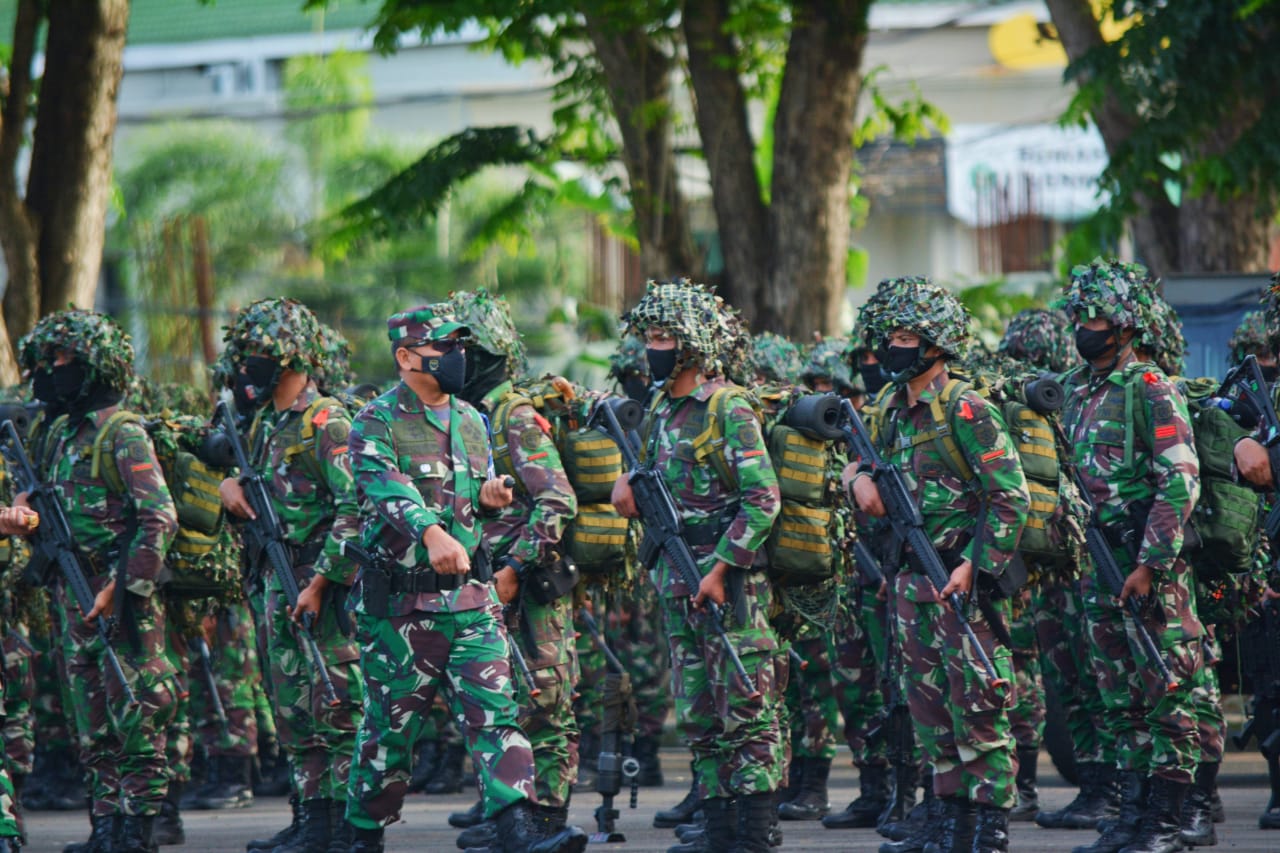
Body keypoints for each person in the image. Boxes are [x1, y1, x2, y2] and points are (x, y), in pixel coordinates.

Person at [342, 302, 585, 853]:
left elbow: (463, 503)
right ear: (406, 357)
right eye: (442, 349)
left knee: (497, 717)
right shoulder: (374, 422)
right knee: (389, 737)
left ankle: (518, 826)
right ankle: (360, 833)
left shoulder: (472, 420)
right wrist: (429, 532)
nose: (456, 358)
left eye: (459, 348)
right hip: (403, 613)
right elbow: (387, 491)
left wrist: (487, 498)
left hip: (472, 605)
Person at [843, 277, 1029, 853]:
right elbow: (861, 469)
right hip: (910, 583)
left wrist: (975, 566)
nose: (895, 348)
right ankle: (951, 821)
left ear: (937, 343)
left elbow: (1010, 496)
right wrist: (856, 480)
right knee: (930, 711)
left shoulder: (967, 408)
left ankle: (988, 826)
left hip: (961, 581)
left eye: (906, 337)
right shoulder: (890, 411)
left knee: (978, 707)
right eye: (890, 336)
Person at [612, 280, 786, 853]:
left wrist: (719, 568)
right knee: (699, 710)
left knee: (746, 706)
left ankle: (755, 831)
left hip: (727, 580)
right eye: (650, 338)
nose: (653, 349)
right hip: (677, 576)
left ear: (691, 346)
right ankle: (717, 827)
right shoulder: (662, 408)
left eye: (664, 338)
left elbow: (763, 498)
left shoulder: (726, 405)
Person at [16, 309, 181, 853]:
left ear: (91, 366)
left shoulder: (122, 432)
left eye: (60, 360)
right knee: (93, 723)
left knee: (136, 715)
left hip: (118, 598)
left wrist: (124, 589)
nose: (49, 372)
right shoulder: (62, 434)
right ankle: (106, 828)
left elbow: (159, 517)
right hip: (73, 593)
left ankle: (138, 832)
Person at [1058, 259, 1207, 853]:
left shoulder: (1151, 388)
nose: (1085, 328)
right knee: (1118, 697)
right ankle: (1132, 813)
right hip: (1097, 565)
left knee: (1166, 693)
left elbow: (1181, 482)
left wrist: (1150, 564)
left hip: (1149, 569)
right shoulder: (1074, 390)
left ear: (1125, 325)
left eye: (1097, 317)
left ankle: (1167, 822)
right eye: (1079, 317)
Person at [217, 298, 365, 851]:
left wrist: (324, 580)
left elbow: (358, 506)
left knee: (336, 704)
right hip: (276, 582)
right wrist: (226, 487)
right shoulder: (265, 425)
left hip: (319, 582)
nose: (250, 362)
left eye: (260, 351)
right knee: (293, 708)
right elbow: (255, 486)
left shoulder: (326, 422)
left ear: (289, 356)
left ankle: (350, 824)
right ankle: (313, 819)